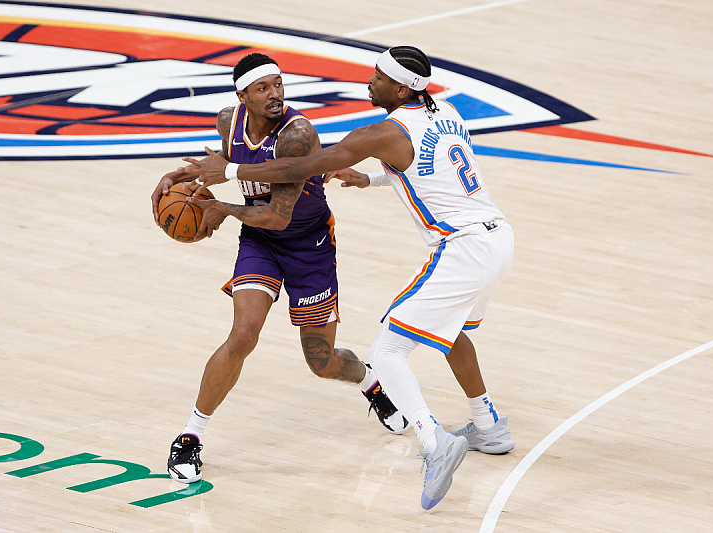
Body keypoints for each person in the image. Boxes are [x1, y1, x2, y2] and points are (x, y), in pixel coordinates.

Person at [178, 46, 516, 510]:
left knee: (382, 351)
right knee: (449, 333)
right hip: (498, 239)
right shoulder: (446, 111)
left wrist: (231, 174)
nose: (369, 83)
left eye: (377, 77)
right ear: (242, 95)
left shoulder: (365, 132)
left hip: (384, 246)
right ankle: (488, 425)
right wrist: (369, 181)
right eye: (264, 86)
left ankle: (435, 442)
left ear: (400, 88)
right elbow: (431, 168)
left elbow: (298, 173)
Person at [150, 53, 410, 485]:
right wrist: (183, 180)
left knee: (321, 362)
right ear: (243, 96)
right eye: (263, 88)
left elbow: (278, 216)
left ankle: (370, 382)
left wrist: (222, 209)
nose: (275, 94)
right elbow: (230, 163)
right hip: (260, 243)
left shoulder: (298, 134)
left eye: (278, 84)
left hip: (307, 246)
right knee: (242, 335)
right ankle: (191, 436)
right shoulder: (227, 121)